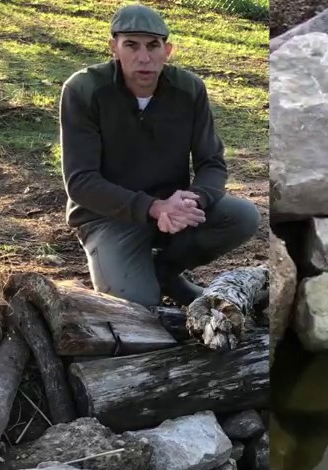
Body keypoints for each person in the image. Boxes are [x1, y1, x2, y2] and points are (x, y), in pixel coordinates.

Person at [57, 3, 260, 306]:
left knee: (242, 216)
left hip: (172, 211)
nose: (144, 57)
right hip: (108, 217)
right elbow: (81, 182)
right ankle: (140, 278)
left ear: (168, 51)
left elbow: (212, 162)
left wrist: (193, 200)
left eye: (153, 46)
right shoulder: (83, 90)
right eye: (131, 45)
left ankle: (164, 273)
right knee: (136, 306)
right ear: (114, 48)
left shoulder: (189, 90)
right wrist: (152, 207)